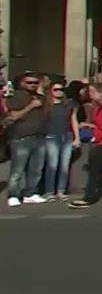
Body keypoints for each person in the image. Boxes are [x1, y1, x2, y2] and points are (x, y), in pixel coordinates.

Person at [5, 73, 49, 206]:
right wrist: (31, 106)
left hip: (39, 137)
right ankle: (13, 195)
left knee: (36, 170)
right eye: (29, 82)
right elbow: (13, 116)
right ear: (22, 83)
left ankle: (30, 193)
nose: (33, 85)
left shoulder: (41, 98)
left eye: (35, 82)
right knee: (17, 170)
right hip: (21, 138)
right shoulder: (16, 97)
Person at [41, 81, 79, 201]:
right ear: (50, 91)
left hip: (66, 136)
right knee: (52, 165)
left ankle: (61, 191)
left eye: (61, 89)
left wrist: (76, 138)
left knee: (64, 165)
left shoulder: (69, 104)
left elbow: (74, 121)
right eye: (56, 89)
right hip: (51, 136)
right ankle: (49, 191)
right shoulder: (46, 105)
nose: (59, 92)